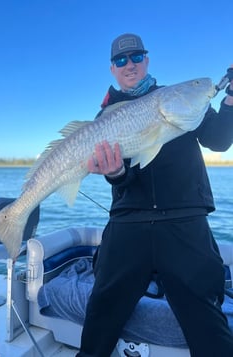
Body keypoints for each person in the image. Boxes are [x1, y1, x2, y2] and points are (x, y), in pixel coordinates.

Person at [76, 33, 233, 357]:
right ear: (112, 69)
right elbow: (121, 179)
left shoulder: (179, 98)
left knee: (206, 314)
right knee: (102, 308)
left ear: (147, 61)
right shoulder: (105, 118)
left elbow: (219, 140)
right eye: (121, 60)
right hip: (129, 222)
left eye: (136, 57)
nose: (129, 65)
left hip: (185, 219)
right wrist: (116, 173)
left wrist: (230, 99)